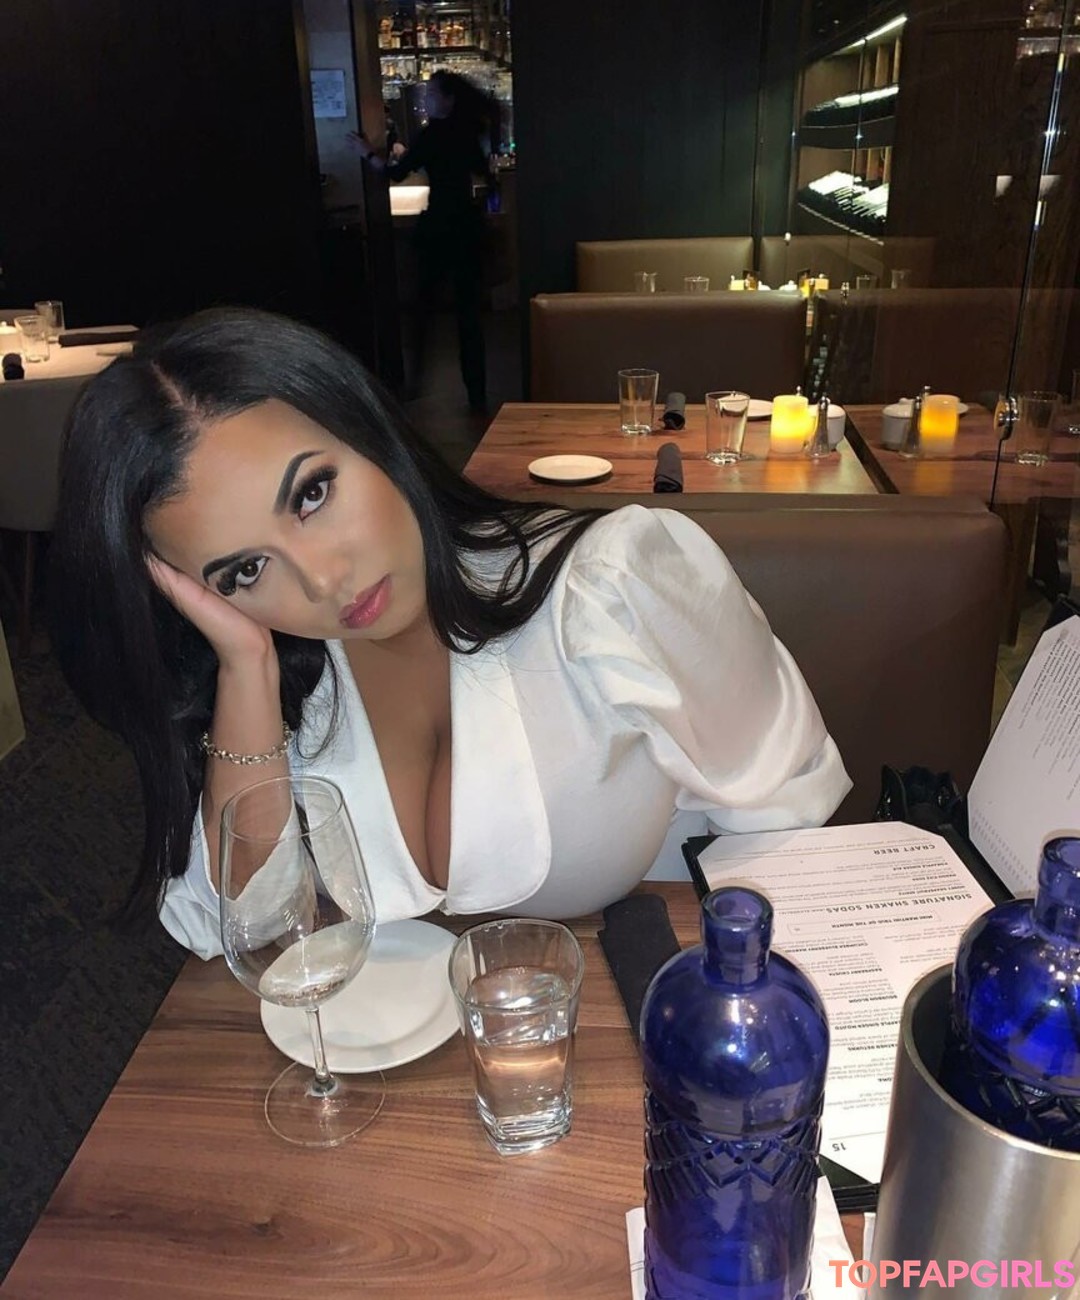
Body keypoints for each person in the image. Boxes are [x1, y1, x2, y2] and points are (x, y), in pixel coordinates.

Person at [49, 308, 851, 961]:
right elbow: (244, 929)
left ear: (366, 430)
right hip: (421, 1083)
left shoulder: (615, 582)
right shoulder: (294, 674)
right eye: (245, 570)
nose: (323, 581)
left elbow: (791, 820)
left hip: (646, 1024)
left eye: (313, 494)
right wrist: (245, 665)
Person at [349, 71, 494, 411]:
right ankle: (477, 394)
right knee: (469, 318)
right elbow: (486, 178)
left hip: (438, 229)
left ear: (447, 100)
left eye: (431, 94)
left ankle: (412, 384)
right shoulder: (470, 133)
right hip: (468, 230)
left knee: (422, 311)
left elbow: (395, 172)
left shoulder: (434, 134)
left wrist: (366, 152)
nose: (425, 99)